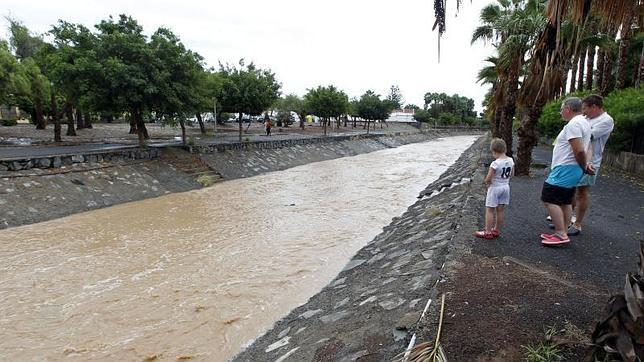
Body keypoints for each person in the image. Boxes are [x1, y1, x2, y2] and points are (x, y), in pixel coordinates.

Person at [540, 97, 593, 245]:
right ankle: (562, 230)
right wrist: (584, 166)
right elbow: (587, 147)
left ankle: (560, 233)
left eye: (561, 109)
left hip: (565, 168)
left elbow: (579, 150)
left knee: (549, 198)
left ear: (568, 109)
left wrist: (583, 165)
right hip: (572, 169)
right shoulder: (585, 123)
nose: (560, 112)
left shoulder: (574, 125)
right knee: (565, 201)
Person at [567, 95, 614, 235]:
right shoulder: (586, 118)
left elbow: (588, 136)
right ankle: (567, 220)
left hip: (591, 161)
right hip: (576, 158)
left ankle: (577, 224)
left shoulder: (606, 120)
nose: (583, 111)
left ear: (594, 107)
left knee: (582, 191)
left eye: (585, 108)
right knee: (571, 189)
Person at [474, 138, 514, 240]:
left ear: (494, 151)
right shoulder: (510, 160)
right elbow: (512, 174)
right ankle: (496, 230)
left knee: (490, 210)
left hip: (495, 188)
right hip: (506, 187)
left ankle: (487, 232)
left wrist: (486, 182)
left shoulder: (495, 163)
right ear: (505, 149)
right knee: (500, 210)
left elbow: (488, 178)